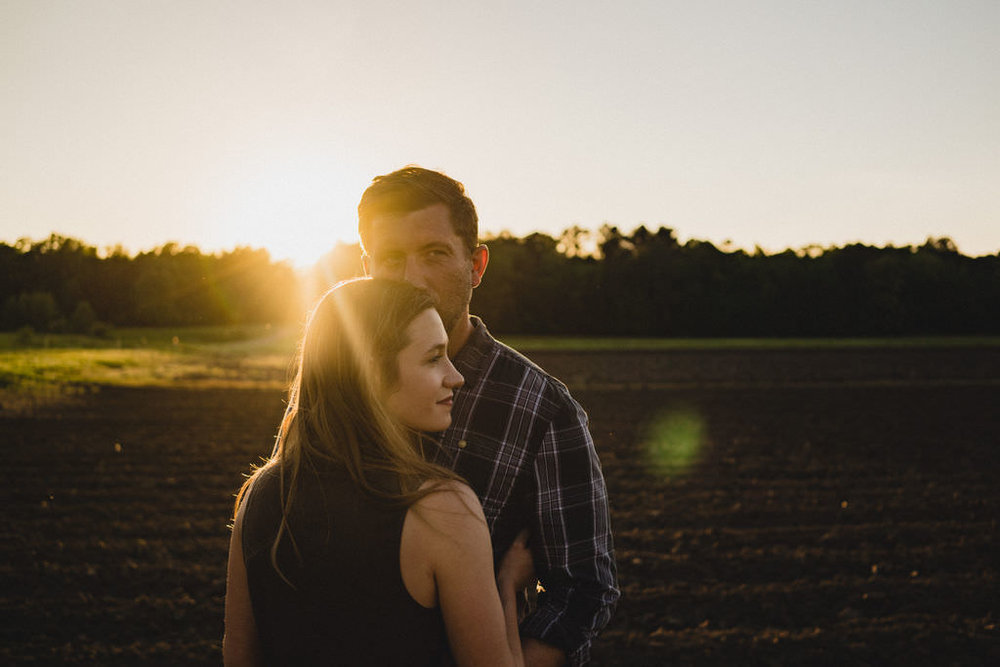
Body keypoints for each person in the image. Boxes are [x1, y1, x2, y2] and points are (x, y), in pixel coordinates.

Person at [358, 167, 620, 666]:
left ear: (475, 266)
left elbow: (581, 593)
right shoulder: (336, 388)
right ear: (366, 268)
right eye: (391, 259)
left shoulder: (543, 410)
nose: (412, 279)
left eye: (434, 254)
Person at [224, 278, 535, 666]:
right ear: (371, 373)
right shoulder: (441, 509)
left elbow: (239, 657)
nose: (456, 376)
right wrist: (507, 589)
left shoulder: (260, 494)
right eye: (433, 357)